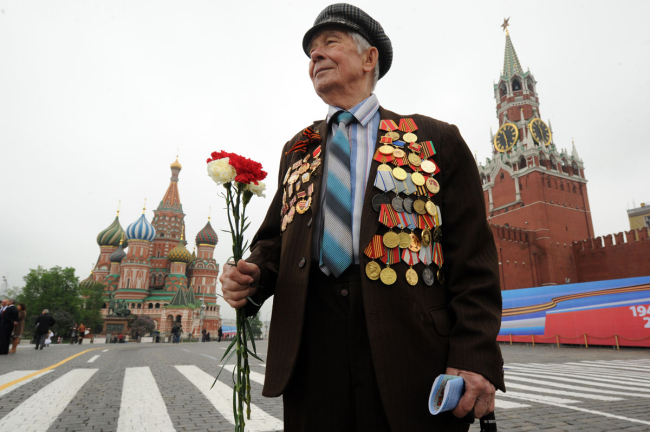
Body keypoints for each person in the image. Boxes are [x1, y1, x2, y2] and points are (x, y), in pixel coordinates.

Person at [219, 5, 505, 431]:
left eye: (329, 43)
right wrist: (253, 274)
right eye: (311, 52)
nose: (315, 56)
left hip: (411, 346)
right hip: (312, 346)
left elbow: (474, 261)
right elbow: (275, 240)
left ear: (369, 58)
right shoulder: (298, 149)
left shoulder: (434, 139)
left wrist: (473, 355)